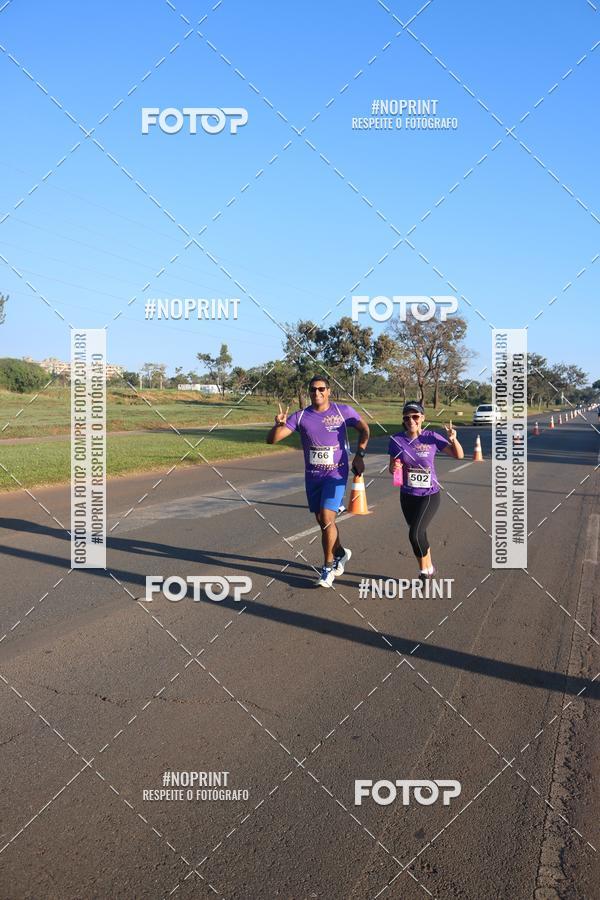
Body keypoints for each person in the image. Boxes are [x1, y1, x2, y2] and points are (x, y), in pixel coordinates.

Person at [267, 375, 370, 587]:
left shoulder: (343, 412)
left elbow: (364, 429)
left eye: (321, 389)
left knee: (326, 517)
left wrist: (360, 454)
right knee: (324, 522)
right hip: (313, 477)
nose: (317, 393)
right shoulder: (301, 416)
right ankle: (341, 553)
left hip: (336, 474)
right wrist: (277, 425)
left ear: (329, 390)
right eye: (313, 389)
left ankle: (327, 567)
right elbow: (272, 439)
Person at [388, 401, 464, 579]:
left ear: (422, 418)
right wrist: (394, 467)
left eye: (415, 416)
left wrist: (453, 439)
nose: (411, 420)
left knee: (414, 534)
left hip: (429, 495)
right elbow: (392, 468)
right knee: (419, 533)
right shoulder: (396, 440)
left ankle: (423, 572)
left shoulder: (432, 437)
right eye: (407, 417)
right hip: (407, 495)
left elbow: (458, 455)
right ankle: (429, 567)